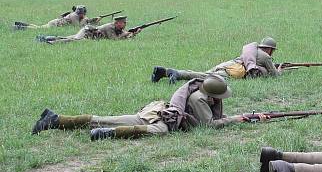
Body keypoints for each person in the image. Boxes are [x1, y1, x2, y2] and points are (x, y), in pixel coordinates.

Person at [31, 75, 249, 140]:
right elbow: (207, 126)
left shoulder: (202, 95)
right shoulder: (199, 99)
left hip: (159, 112)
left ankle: (56, 120)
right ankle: (105, 134)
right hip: (159, 118)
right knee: (159, 131)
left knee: (105, 118)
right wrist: (235, 119)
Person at [151, 37, 282, 83]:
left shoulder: (253, 52)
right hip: (232, 71)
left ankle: (164, 72)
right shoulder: (266, 56)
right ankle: (176, 73)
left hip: (229, 64)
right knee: (204, 77)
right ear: (270, 49)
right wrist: (280, 69)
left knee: (202, 74)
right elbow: (275, 75)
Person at [36, 16, 133, 44]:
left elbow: (123, 34)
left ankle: (46, 39)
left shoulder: (117, 28)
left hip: (90, 35)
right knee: (75, 41)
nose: (125, 24)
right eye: (124, 23)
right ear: (118, 23)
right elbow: (114, 40)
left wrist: (132, 33)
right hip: (87, 32)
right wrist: (126, 34)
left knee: (68, 38)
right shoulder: (110, 27)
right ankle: (51, 43)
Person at [14, 6, 97, 30]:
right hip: (55, 24)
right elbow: (77, 28)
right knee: (38, 28)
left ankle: (22, 25)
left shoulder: (75, 15)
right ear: (82, 13)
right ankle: (19, 27)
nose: (85, 15)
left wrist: (91, 20)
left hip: (55, 23)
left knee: (39, 27)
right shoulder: (74, 16)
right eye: (84, 14)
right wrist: (86, 21)